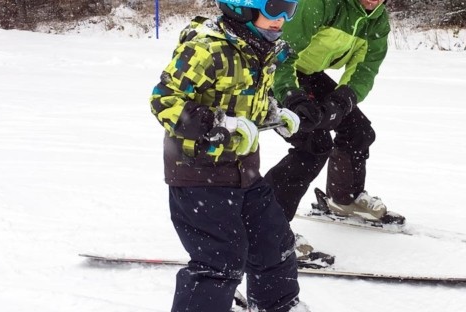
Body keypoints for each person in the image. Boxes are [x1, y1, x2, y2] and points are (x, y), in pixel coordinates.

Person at [147, 0, 308, 311]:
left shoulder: (262, 47)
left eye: (290, 8)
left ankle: (276, 306)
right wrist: (217, 124)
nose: (282, 19)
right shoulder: (207, 49)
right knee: (220, 260)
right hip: (198, 174)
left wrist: (274, 114)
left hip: (245, 171)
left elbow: (245, 102)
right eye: (275, 8)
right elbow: (164, 99)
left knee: (274, 244)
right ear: (241, 7)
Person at [264, 0, 402, 264]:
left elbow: (365, 68)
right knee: (313, 147)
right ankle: (266, 227)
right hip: (273, 73)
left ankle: (343, 199)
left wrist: (343, 100)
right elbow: (280, 52)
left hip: (308, 74)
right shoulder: (322, 4)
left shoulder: (377, 20)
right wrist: (292, 97)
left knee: (358, 131)